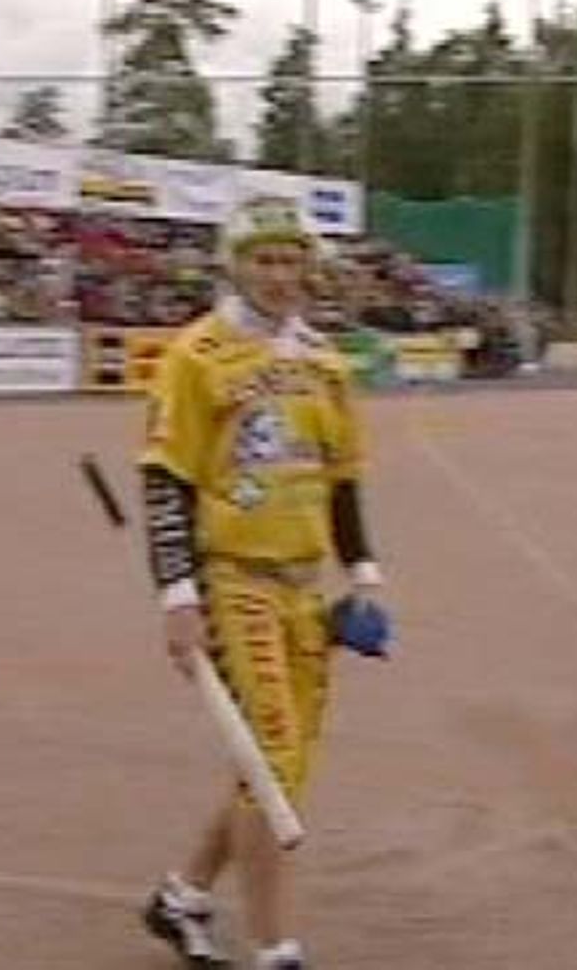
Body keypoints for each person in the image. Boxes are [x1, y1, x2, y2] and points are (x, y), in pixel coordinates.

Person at [136, 197, 392, 969]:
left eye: (291, 261)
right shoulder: (197, 356)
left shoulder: (325, 362)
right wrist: (178, 597)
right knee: (271, 755)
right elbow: (165, 483)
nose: (280, 276)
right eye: (264, 260)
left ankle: (182, 897)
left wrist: (363, 576)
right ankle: (275, 946)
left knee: (279, 762)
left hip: (304, 588)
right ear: (235, 265)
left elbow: (342, 481)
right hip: (233, 580)